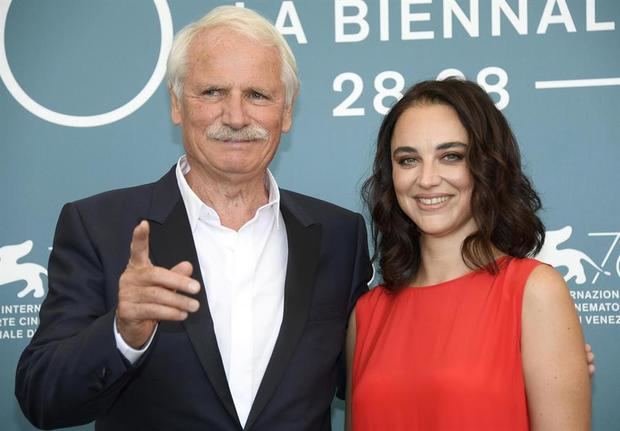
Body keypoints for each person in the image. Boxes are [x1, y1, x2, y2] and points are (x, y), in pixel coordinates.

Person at [15, 6, 372, 431]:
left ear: (287, 111)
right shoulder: (99, 227)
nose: (236, 116)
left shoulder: (339, 235)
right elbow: (41, 398)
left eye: (258, 95)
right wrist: (122, 333)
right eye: (213, 92)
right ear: (177, 104)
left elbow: (369, 379)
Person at [346, 79, 592, 430]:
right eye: (408, 159)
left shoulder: (533, 292)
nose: (427, 179)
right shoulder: (368, 314)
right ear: (391, 175)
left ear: (487, 166)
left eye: (451, 156)